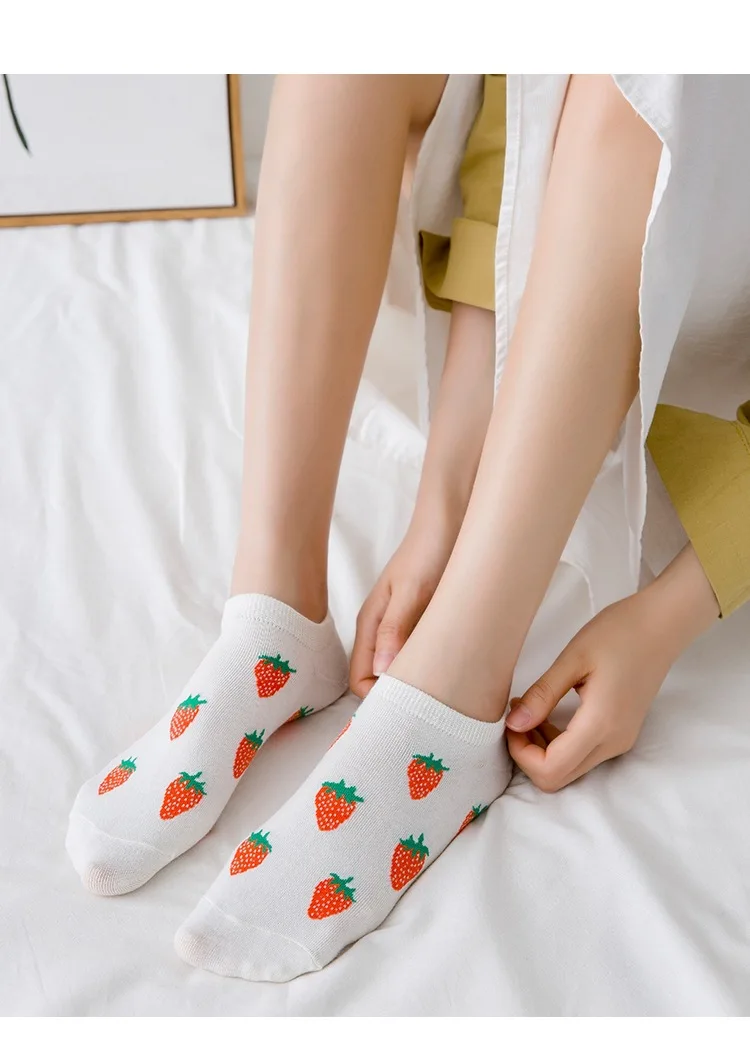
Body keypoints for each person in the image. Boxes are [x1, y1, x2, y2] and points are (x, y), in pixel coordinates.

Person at [64, 74, 747, 983]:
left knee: (648, 79)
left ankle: (455, 690)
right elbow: (525, 130)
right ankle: (274, 617)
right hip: (585, 269)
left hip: (699, 262)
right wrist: (443, 503)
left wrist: (673, 611)